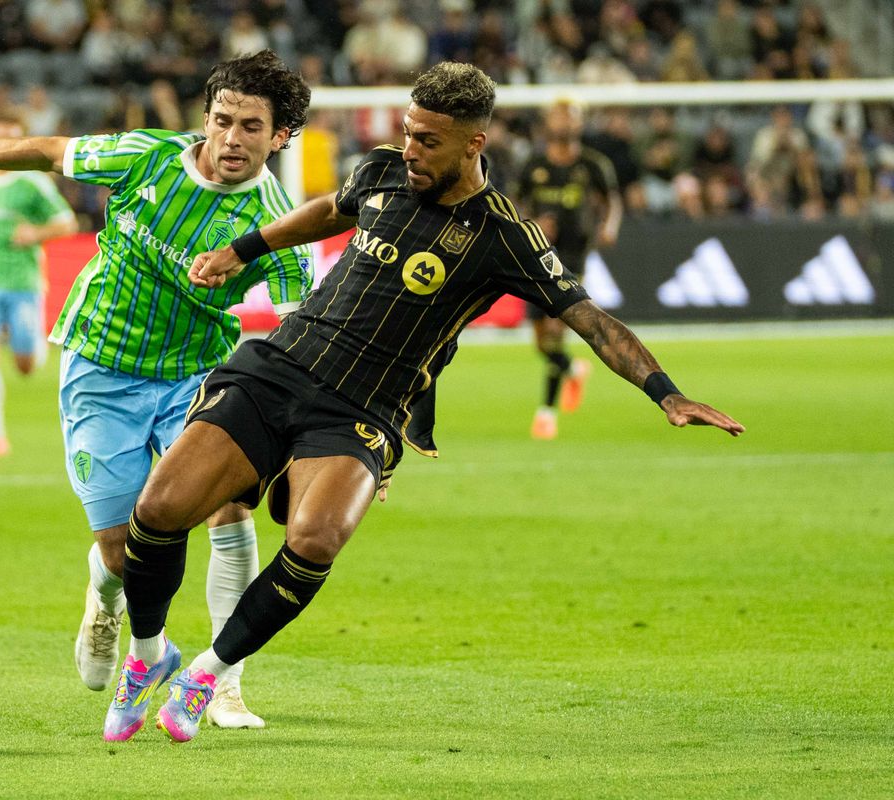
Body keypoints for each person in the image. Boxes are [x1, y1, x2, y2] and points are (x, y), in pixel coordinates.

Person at [112, 61, 743, 745]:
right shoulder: (383, 170)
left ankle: (209, 671)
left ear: (473, 144)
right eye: (408, 133)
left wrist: (667, 392)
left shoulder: (505, 236)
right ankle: (147, 658)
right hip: (281, 367)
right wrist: (243, 248)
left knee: (315, 538)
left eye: (428, 141)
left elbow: (591, 321)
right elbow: (331, 210)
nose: (410, 149)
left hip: (363, 408)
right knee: (157, 510)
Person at [0, 50, 314, 732]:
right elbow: (45, 150)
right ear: (205, 118)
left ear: (280, 137)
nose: (232, 138)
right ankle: (106, 600)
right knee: (121, 542)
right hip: (100, 366)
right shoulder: (143, 156)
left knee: (229, 515)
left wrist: (299, 423)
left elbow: (300, 330)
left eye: (251, 127)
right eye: (223, 120)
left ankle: (223, 682)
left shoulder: (281, 228)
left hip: (195, 376)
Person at [0, 109, 77, 456]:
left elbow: (66, 222)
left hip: (23, 281)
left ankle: (33, 347)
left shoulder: (33, 181)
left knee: (25, 366)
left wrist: (35, 233)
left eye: (12, 137)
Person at [516, 100, 622, 440]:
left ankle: (546, 413)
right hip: (536, 256)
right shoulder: (533, 164)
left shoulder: (592, 164)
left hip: (573, 257)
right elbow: (515, 204)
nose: (565, 122)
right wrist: (531, 224)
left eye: (571, 116)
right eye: (559, 116)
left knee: (555, 328)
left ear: (578, 124)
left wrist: (609, 226)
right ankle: (573, 369)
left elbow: (611, 200)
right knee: (540, 342)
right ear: (548, 122)